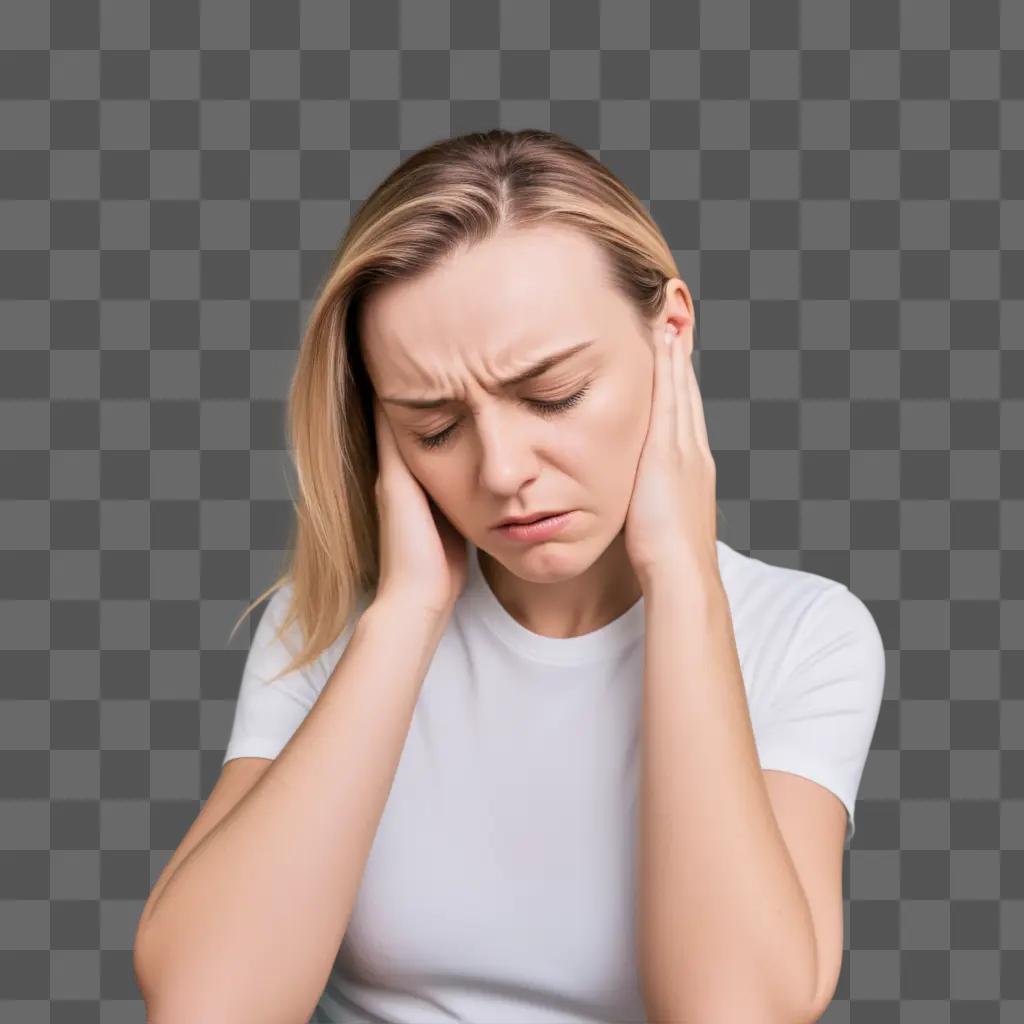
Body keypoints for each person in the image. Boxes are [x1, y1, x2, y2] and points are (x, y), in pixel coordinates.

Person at [133, 129, 885, 1023]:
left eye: (554, 394)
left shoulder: (806, 634)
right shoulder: (331, 619)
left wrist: (682, 580)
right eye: (435, 426)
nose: (500, 471)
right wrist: (407, 614)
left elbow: (736, 1011)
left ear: (671, 333)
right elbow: (205, 1004)